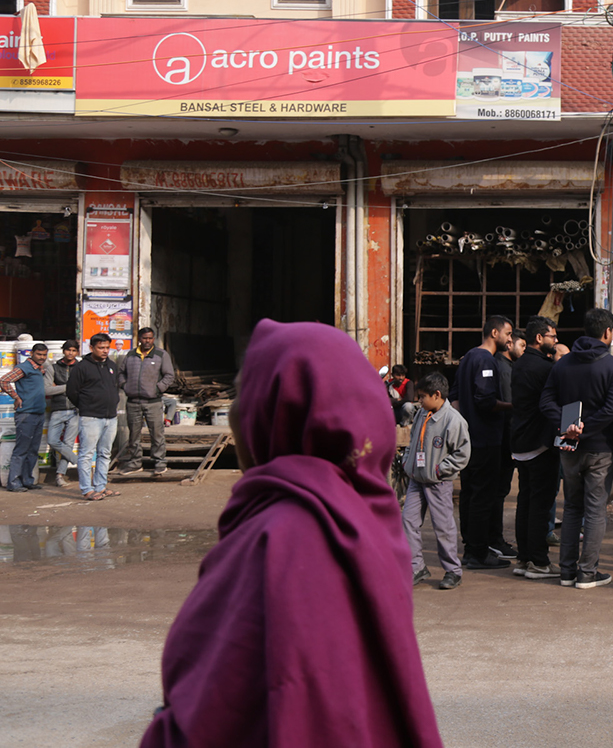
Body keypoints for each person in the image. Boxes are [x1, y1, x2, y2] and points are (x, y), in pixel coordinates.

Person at [138, 320, 444, 747]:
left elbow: (215, 718)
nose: (235, 414)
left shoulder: (286, 535)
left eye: (248, 393)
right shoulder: (364, 516)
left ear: (276, 412)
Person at [540, 306, 613, 589]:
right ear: (607, 332)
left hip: (569, 447)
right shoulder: (612, 366)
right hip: (600, 447)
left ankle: (566, 571)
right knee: (596, 509)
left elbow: (547, 402)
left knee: (573, 507)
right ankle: (587, 572)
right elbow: (612, 409)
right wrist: (586, 427)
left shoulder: (563, 364)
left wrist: (569, 426)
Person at [450, 315, 514, 570]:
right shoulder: (486, 360)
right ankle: (478, 552)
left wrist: (462, 426)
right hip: (485, 440)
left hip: (469, 441)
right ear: (495, 333)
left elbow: (454, 397)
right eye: (508, 333)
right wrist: (513, 407)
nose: (510, 339)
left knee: (469, 493)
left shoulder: (467, 358)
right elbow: (485, 400)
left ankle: (471, 547)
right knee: (482, 497)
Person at [401, 372, 470, 591]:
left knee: (443, 527)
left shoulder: (454, 420)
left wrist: (440, 470)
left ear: (437, 395)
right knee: (408, 521)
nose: (419, 401)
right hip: (416, 480)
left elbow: (462, 453)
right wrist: (407, 461)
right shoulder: (422, 413)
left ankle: (452, 571)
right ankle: (416, 567)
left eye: (422, 396)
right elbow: (413, 440)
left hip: (438, 482)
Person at [510, 317, 561, 580]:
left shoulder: (520, 364)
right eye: (552, 336)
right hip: (540, 444)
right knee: (540, 505)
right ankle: (539, 562)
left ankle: (524, 558)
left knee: (526, 503)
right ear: (539, 338)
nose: (556, 340)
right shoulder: (544, 367)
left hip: (521, 442)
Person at [66, 333, 121, 501]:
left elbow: (115, 387)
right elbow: (72, 392)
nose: (105, 351)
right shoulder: (81, 367)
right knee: (86, 454)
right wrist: (86, 406)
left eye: (107, 347)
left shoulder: (111, 366)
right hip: (90, 417)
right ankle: (87, 489)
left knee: (105, 453)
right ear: (91, 348)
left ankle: (100, 486)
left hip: (110, 417)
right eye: (101, 348)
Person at [487, 328, 526, 561]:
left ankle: (494, 539)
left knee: (499, 490)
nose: (520, 347)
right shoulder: (502, 368)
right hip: (502, 438)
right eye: (520, 344)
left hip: (502, 438)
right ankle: (494, 540)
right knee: (497, 491)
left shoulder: (507, 366)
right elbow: (510, 406)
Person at [116, 327, 175, 476]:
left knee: (156, 433)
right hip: (133, 402)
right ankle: (136, 462)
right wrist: (125, 386)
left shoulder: (161, 355)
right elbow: (120, 373)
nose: (147, 341)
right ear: (139, 339)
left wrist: (157, 389)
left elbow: (169, 375)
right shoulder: (130, 355)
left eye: (150, 338)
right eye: (144, 338)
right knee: (134, 435)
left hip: (153, 402)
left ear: (153, 339)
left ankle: (160, 462)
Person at [2, 342, 49, 492]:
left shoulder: (39, 369)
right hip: (26, 414)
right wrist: (16, 397)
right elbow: (4, 380)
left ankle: (28, 481)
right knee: (21, 450)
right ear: (32, 354)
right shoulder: (24, 368)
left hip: (38, 413)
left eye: (44, 355)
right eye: (39, 354)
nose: (42, 357)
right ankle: (14, 483)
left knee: (33, 449)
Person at [44, 340, 80, 487]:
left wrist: (58, 387)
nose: (70, 353)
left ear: (77, 352)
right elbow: (46, 390)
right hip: (58, 409)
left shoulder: (81, 367)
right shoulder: (53, 368)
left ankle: (60, 476)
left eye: (73, 350)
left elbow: (85, 388)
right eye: (67, 350)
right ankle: (79, 462)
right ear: (63, 351)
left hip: (76, 410)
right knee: (52, 440)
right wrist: (70, 387)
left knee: (68, 444)